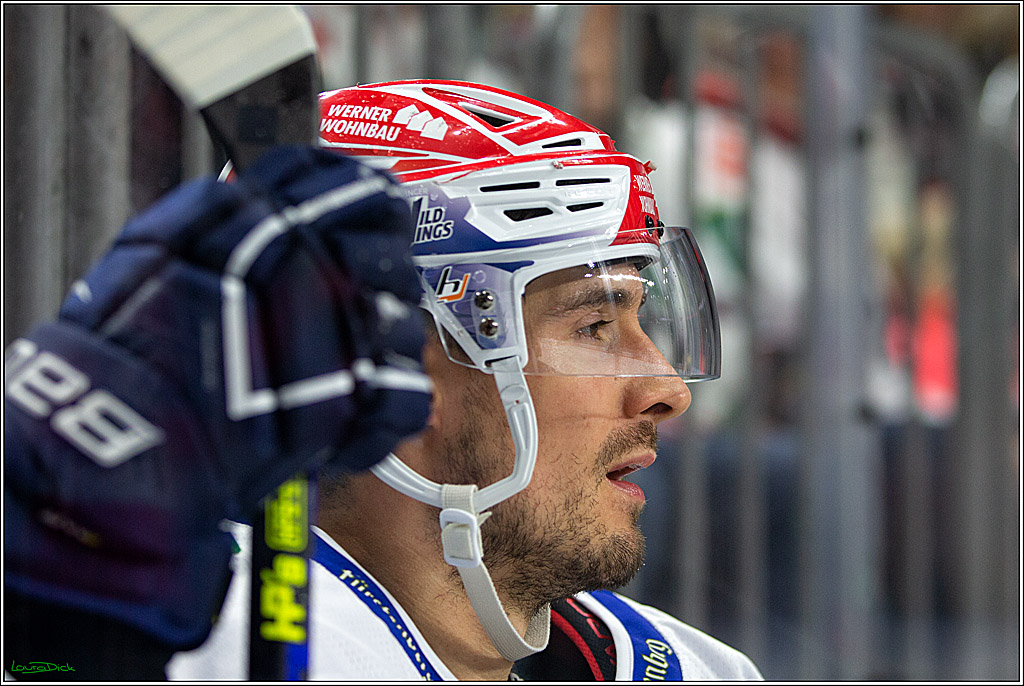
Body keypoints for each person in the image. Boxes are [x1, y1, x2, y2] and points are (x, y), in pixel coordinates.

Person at [169, 80, 762, 681]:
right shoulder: (207, 651)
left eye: (641, 317)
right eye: (594, 326)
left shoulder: (691, 665)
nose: (668, 390)